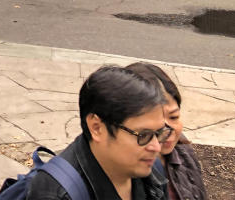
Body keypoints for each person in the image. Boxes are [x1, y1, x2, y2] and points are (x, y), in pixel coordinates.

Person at [26, 66, 169, 200]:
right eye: (144, 135)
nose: (156, 147)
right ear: (97, 127)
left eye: (159, 133)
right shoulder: (55, 193)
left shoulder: (150, 170)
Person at [124, 62, 207, 200]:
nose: (167, 130)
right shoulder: (122, 174)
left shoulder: (184, 153)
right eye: (153, 121)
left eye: (174, 117)